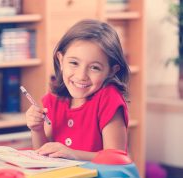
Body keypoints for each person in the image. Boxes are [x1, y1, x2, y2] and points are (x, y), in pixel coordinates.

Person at [25, 19, 130, 161]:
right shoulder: (53, 100)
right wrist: (37, 130)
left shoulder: (109, 99)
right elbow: (43, 154)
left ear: (111, 71)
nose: (81, 76)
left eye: (94, 67)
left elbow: (116, 159)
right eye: (74, 63)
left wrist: (73, 154)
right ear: (61, 60)